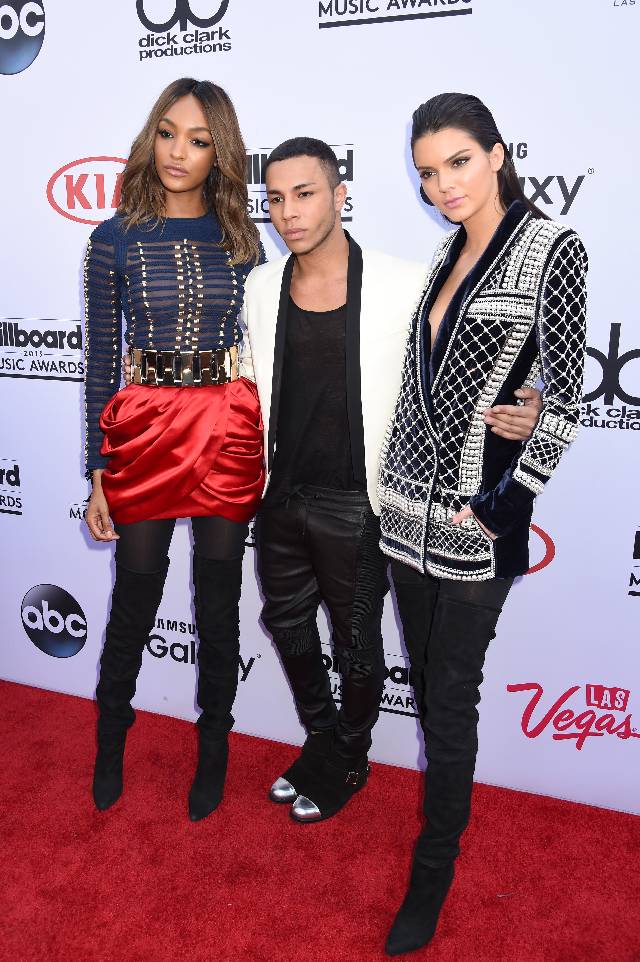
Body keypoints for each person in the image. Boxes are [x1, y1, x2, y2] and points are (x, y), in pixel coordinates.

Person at [240, 138, 542, 823]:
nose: (288, 212)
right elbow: (253, 383)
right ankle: (322, 739)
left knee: (356, 645)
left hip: (360, 500)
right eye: (277, 198)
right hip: (280, 494)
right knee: (286, 624)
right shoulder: (261, 285)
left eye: (306, 193)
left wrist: (532, 401)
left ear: (341, 196)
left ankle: (349, 755)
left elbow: (480, 355)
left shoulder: (407, 282)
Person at [377, 93, 588, 955]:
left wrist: (503, 499)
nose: (442, 186)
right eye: (428, 172)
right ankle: (438, 836)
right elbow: (420, 386)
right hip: (403, 514)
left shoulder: (553, 249)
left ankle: (433, 871)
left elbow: (566, 398)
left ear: (497, 154)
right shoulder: (443, 256)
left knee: (451, 697)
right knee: (427, 691)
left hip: (478, 520)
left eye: (458, 163)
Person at [83, 78, 264, 821]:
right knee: (136, 594)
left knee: (220, 606)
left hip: (226, 426)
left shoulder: (244, 241)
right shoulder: (113, 237)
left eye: (197, 139)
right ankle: (110, 742)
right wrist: (96, 471)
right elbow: (100, 359)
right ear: (149, 137)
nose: (179, 152)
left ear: (220, 151)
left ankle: (215, 746)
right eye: (167, 133)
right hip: (146, 429)